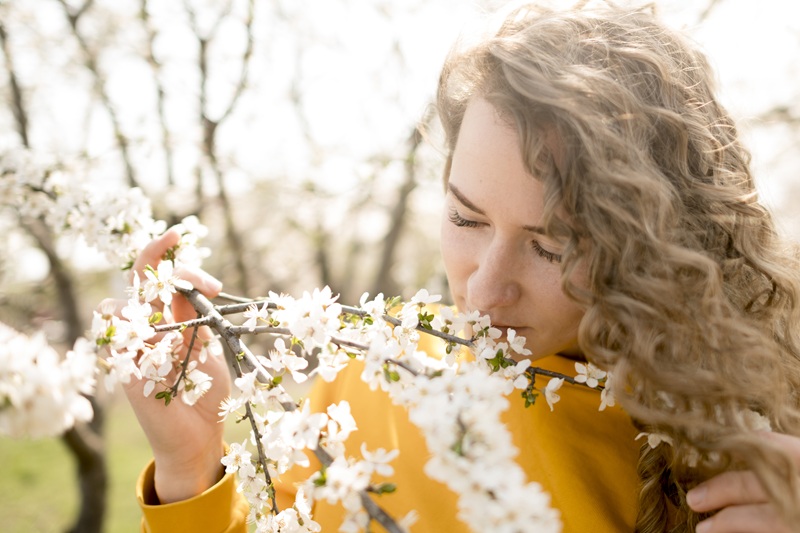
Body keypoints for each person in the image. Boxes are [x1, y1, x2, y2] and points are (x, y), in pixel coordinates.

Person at [117, 2, 800, 532]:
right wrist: (190, 467)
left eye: (552, 246)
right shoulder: (368, 372)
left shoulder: (741, 446)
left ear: (662, 245)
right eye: (467, 219)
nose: (483, 286)